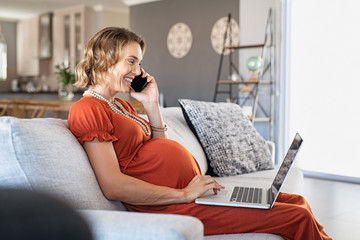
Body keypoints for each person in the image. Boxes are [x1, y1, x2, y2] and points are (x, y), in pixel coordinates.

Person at [68, 27, 331, 240]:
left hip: (195, 193)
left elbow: (157, 149)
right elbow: (113, 186)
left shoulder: (121, 105)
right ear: (105, 58)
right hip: (173, 205)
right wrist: (184, 194)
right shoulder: (87, 109)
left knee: (297, 202)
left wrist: (151, 105)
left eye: (139, 63)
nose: (138, 71)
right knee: (298, 218)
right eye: (132, 62)